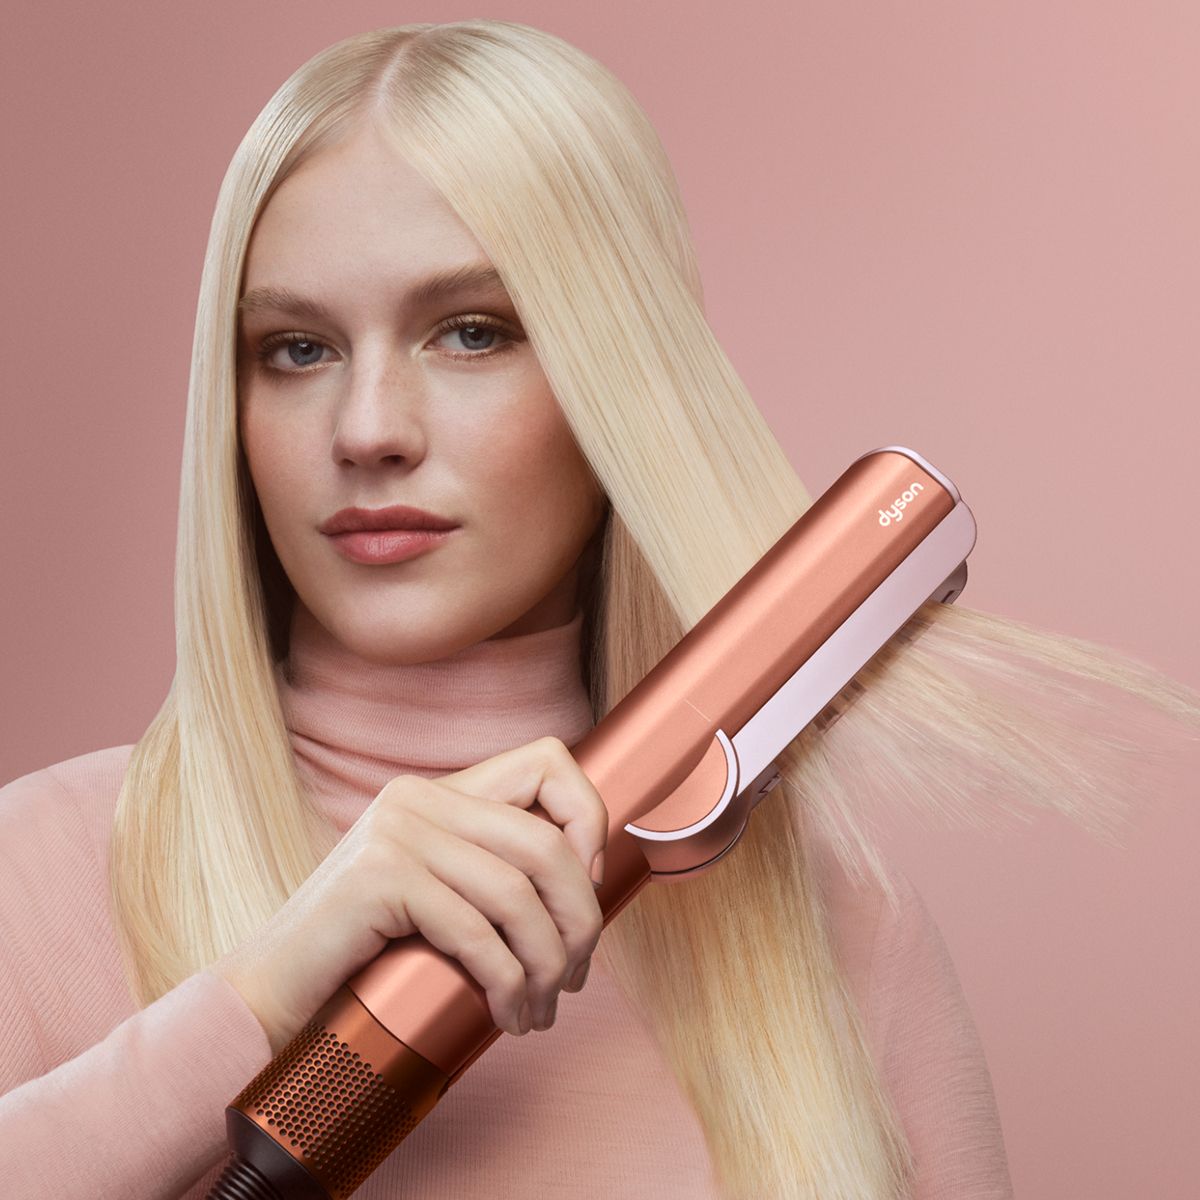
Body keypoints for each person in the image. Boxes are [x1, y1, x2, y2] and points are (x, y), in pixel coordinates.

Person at [4, 19, 1197, 1200]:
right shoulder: (45, 878)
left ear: (617, 383)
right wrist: (253, 1007)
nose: (368, 429)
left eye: (473, 333)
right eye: (298, 348)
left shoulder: (834, 940)